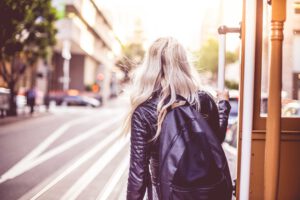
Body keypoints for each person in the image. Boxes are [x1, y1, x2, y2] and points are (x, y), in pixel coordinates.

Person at [123, 37, 232, 200]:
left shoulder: (144, 112)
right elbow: (216, 139)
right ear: (183, 64)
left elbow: (138, 175)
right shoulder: (203, 101)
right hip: (207, 192)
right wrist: (223, 104)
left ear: (150, 66)